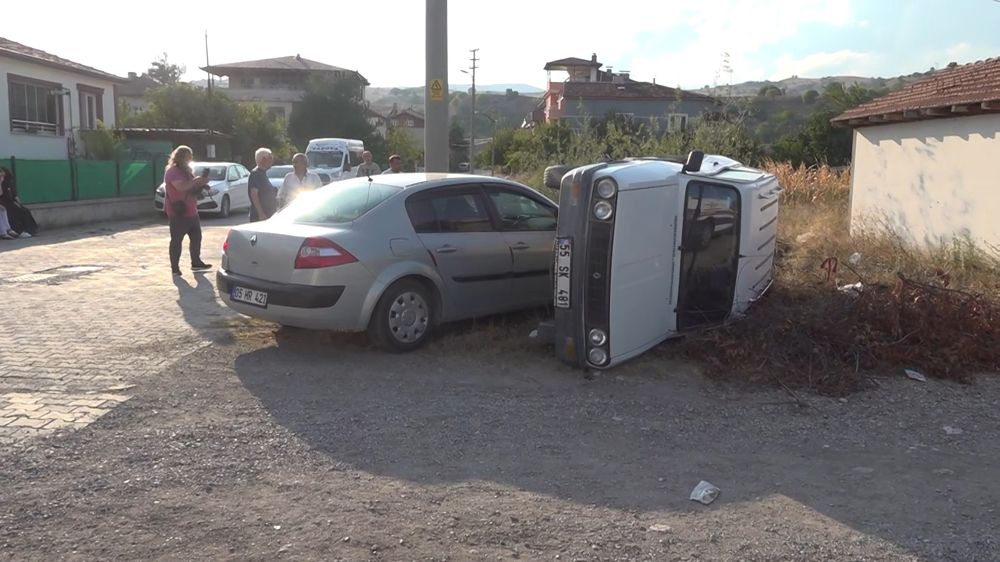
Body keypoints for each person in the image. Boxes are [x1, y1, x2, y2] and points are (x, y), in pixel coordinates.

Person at [163, 145, 212, 276]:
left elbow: (192, 188)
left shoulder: (187, 171)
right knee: (177, 241)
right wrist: (195, 181)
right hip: (178, 212)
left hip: (191, 211)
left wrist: (202, 184)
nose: (191, 158)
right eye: (189, 156)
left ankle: (196, 262)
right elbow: (181, 187)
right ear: (182, 156)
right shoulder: (172, 172)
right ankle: (175, 268)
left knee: (196, 237)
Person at [0, 167, 37, 237]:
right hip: (4, 203)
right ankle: (13, 231)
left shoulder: (8, 183)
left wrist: (19, 204)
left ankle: (30, 229)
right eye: (1, 176)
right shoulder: (3, 184)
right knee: (9, 212)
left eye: (3, 176)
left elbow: (14, 195)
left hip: (10, 203)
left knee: (24, 211)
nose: (3, 178)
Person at [248, 147, 277, 222]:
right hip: (260, 216)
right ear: (263, 159)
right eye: (270, 157)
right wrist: (260, 213)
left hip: (268, 213)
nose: (272, 160)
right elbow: (254, 194)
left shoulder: (262, 174)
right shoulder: (255, 174)